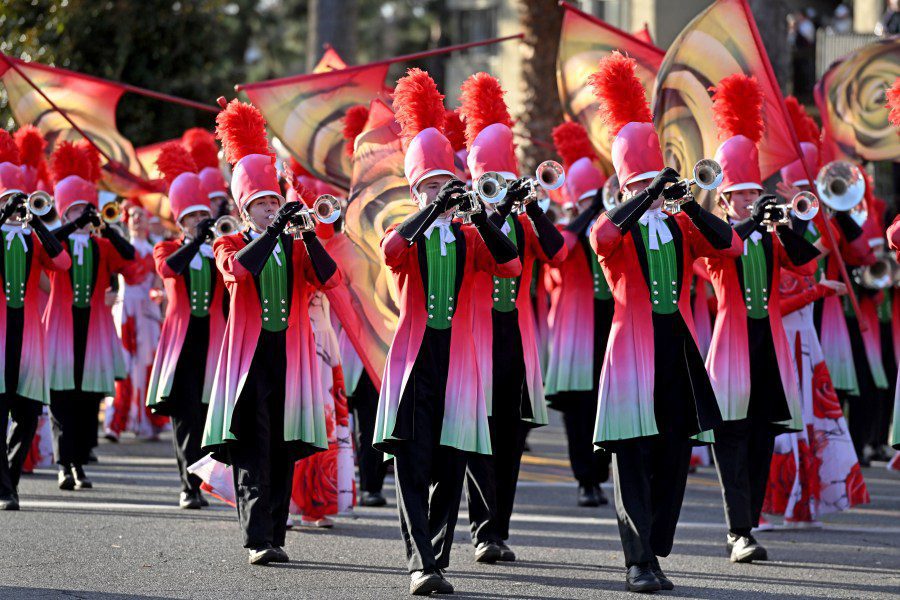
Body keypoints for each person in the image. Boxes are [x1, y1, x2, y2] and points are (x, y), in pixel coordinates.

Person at [587, 52, 741, 592]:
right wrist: (646, 193)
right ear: (628, 182)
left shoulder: (679, 226)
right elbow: (602, 239)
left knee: (675, 453)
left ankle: (655, 547)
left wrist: (690, 202)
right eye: (643, 181)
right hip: (630, 349)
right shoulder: (616, 226)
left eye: (658, 178)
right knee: (631, 456)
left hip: (675, 346)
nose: (655, 189)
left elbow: (732, 245)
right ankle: (636, 562)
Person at [372, 68, 520, 596]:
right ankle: (421, 563)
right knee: (412, 461)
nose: (440, 193)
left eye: (445, 184)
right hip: (415, 360)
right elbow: (392, 254)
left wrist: (480, 216)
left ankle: (436, 552)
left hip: (459, 362)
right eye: (429, 185)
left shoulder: (468, 235)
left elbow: (510, 266)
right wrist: (430, 207)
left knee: (450, 463)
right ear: (415, 190)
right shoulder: (402, 228)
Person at [202, 99, 339, 565]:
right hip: (249, 357)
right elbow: (238, 272)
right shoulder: (231, 241)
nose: (268, 210)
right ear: (245, 209)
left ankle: (276, 535)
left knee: (282, 447)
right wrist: (274, 230)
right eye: (260, 204)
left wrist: (307, 235)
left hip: (291, 356)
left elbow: (330, 279)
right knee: (252, 445)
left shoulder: (294, 244)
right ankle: (257, 537)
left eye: (273, 202)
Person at [701, 74, 819, 562]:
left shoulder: (769, 234)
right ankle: (738, 531)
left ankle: (747, 524)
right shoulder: (710, 230)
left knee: (761, 437)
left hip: (766, 344)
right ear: (726, 200)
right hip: (730, 345)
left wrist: (787, 222)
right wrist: (752, 222)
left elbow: (805, 260)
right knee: (730, 439)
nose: (750, 202)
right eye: (741, 196)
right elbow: (719, 254)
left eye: (754, 194)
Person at [458, 72, 565, 563]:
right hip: (475, 338)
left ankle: (497, 529)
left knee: (510, 436)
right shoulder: (463, 219)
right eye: (489, 181)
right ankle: (482, 530)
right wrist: (486, 210)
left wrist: (533, 207)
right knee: (477, 435)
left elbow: (558, 253)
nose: (497, 188)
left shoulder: (524, 216)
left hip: (516, 339)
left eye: (503, 179)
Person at [45, 141, 137, 491]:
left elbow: (128, 256)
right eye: (75, 209)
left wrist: (104, 225)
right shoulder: (58, 240)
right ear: (64, 211)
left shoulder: (100, 245)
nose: (82, 214)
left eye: (86, 208)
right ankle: (63, 464)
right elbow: (48, 244)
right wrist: (73, 225)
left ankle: (79, 462)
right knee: (60, 398)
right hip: (61, 328)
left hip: (95, 329)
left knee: (87, 400)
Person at [146, 141, 227, 509]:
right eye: (191, 217)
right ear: (181, 222)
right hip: (180, 344)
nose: (198, 221)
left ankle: (207, 480)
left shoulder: (219, 250)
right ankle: (187, 485)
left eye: (201, 215)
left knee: (209, 414)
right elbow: (168, 270)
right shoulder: (167, 248)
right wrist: (196, 241)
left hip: (212, 341)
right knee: (185, 418)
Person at [0, 129, 71, 510]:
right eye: (8, 198)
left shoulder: (31, 235)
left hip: (28, 337)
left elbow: (62, 263)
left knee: (27, 415)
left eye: (17, 198)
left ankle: (9, 479)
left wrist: (39, 223)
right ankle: (5, 489)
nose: (14, 205)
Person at [544, 120, 612, 508]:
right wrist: (588, 213)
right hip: (576, 328)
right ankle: (586, 479)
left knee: (609, 399)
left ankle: (601, 473)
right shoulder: (564, 229)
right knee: (580, 406)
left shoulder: (608, 222)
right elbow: (563, 250)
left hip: (610, 321)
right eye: (587, 202)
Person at [106, 200, 166, 441]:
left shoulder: (156, 249)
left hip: (147, 313)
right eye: (132, 215)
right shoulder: (120, 247)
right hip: (124, 312)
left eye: (141, 214)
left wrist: (158, 295)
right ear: (126, 219)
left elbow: (157, 284)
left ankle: (147, 422)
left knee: (146, 366)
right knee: (123, 367)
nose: (137, 219)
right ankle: (116, 422)